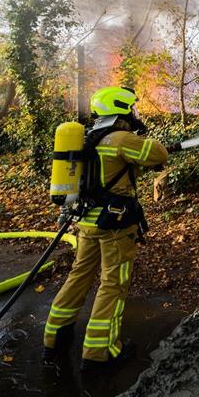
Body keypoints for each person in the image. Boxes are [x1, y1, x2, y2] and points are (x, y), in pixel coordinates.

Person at [43, 86, 168, 371]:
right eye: (132, 107)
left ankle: (54, 340)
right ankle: (101, 352)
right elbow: (158, 154)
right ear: (121, 109)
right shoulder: (123, 139)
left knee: (79, 276)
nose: (135, 112)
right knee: (113, 283)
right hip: (115, 226)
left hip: (87, 223)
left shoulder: (87, 139)